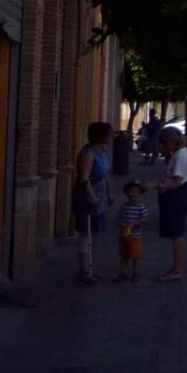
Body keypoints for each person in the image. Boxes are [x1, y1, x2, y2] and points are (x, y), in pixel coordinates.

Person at [71, 121, 113, 283]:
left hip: (99, 195)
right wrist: (91, 197)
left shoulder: (102, 151)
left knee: (93, 232)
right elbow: (84, 178)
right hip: (87, 197)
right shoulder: (88, 154)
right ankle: (84, 271)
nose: (111, 137)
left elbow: (105, 174)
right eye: (109, 134)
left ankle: (90, 267)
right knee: (85, 233)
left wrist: (109, 193)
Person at [154, 126, 187, 281]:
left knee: (176, 234)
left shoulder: (180, 156)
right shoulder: (179, 153)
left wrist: (155, 186)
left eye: (165, 144)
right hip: (174, 196)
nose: (164, 148)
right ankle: (176, 268)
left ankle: (177, 269)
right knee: (175, 233)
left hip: (176, 197)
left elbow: (176, 183)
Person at [115, 180, 149, 282]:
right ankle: (122, 273)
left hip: (135, 236)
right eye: (131, 191)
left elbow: (145, 218)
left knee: (135, 255)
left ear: (140, 193)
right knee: (124, 255)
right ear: (127, 193)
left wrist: (134, 223)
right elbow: (119, 217)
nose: (134, 194)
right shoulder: (124, 206)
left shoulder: (141, 207)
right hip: (124, 236)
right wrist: (121, 224)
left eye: (136, 192)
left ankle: (135, 272)